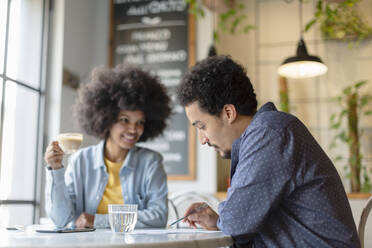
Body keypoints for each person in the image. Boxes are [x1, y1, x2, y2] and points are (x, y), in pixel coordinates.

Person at [177, 55, 360, 247]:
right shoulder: (267, 131)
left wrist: (224, 219)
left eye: (202, 126)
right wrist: (218, 221)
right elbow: (240, 220)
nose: (202, 139)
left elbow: (235, 222)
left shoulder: (269, 134)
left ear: (229, 113)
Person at [44, 65, 171, 229]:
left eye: (140, 122)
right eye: (124, 120)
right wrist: (55, 170)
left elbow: (159, 216)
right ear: (106, 119)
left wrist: (97, 220)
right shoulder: (81, 161)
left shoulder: (151, 162)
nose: (133, 129)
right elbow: (60, 220)